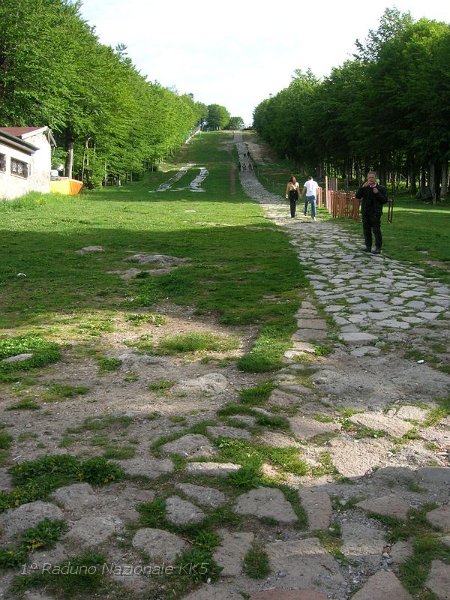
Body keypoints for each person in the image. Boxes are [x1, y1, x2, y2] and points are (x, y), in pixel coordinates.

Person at [355, 171, 388, 254]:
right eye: (369, 177)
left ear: (375, 178)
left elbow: (384, 200)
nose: (371, 179)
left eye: (372, 177)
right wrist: (362, 187)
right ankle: (368, 247)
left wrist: (377, 193)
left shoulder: (381, 188)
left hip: (375, 213)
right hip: (365, 212)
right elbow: (357, 196)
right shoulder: (364, 187)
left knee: (376, 230)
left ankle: (378, 247)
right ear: (367, 178)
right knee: (366, 230)